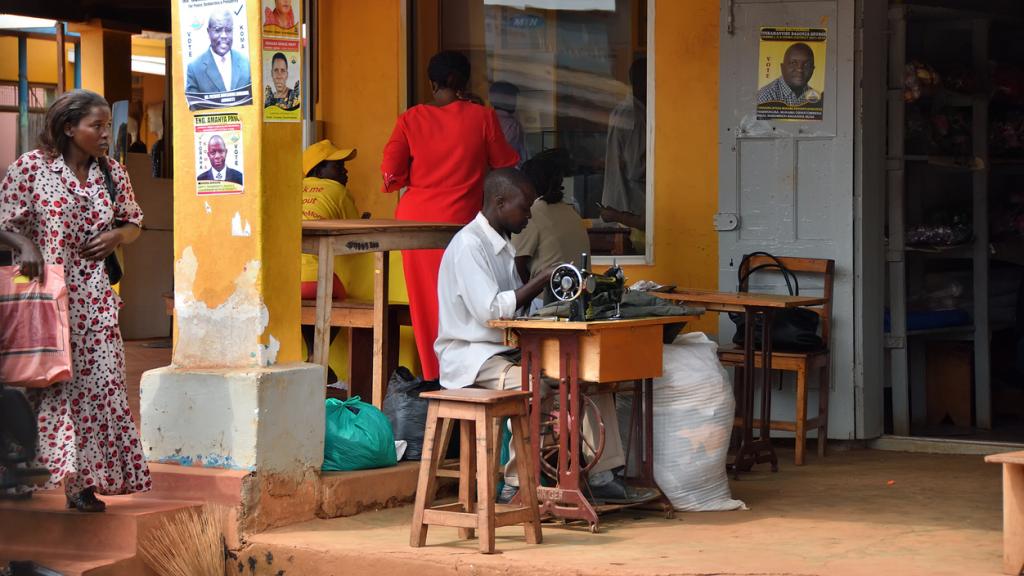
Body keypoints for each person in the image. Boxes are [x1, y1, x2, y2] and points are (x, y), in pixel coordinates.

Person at [435, 169, 655, 504]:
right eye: (524, 209)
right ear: (499, 202)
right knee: (535, 387)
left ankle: (603, 475)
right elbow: (491, 311)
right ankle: (515, 484)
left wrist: (555, 302)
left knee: (587, 378)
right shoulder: (469, 246)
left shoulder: (502, 245)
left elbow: (520, 306)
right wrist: (541, 279)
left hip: (505, 350)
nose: (528, 216)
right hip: (473, 358)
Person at [0, 89, 150, 512]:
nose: (105, 134)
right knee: (44, 385)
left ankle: (83, 485)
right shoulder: (32, 168)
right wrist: (25, 245)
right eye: (95, 126)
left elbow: (134, 221)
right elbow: (3, 221)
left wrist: (117, 235)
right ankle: (20, 474)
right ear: (69, 127)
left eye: (107, 126)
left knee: (100, 390)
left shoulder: (112, 173)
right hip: (46, 300)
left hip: (96, 302)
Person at [381, 50, 519, 383]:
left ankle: (435, 377)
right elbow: (506, 165)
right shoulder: (483, 117)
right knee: (468, 307)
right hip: (459, 225)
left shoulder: (410, 119)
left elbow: (390, 175)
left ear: (433, 84)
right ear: (463, 82)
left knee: (427, 307)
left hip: (414, 225)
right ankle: (466, 377)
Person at [300, 140, 359, 380]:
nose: (345, 171)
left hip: (282, 281)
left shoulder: (292, 188)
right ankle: (316, 353)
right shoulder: (338, 191)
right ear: (318, 169)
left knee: (309, 301)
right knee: (339, 296)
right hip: (315, 280)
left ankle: (312, 352)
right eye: (338, 166)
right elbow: (356, 232)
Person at [512, 148, 589, 304]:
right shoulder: (571, 212)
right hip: (578, 298)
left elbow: (515, 268)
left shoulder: (531, 213)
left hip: (547, 301)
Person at [601, 57, 647, 236]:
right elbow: (636, 168)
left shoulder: (625, 109)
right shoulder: (634, 115)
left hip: (622, 207)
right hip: (630, 210)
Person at [186, 10, 252, 95]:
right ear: (208, 32)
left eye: (228, 30)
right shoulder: (194, 69)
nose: (224, 35)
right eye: (217, 30)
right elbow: (193, 102)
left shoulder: (246, 64)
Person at [756, 42, 821, 106]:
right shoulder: (765, 96)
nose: (800, 69)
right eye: (793, 63)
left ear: (813, 69)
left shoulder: (815, 98)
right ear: (782, 67)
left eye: (807, 65)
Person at [489, 81, 529, 167]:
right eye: (513, 98)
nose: (515, 102)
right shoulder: (512, 125)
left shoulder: (487, 119)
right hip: (509, 170)